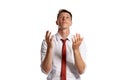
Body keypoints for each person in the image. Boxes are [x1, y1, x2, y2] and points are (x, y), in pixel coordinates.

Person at [40, 9, 87, 80]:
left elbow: (81, 70)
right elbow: (45, 70)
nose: (64, 18)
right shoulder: (48, 41)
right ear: (57, 22)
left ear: (71, 23)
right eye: (61, 17)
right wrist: (49, 48)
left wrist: (76, 50)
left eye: (67, 17)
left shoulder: (78, 42)